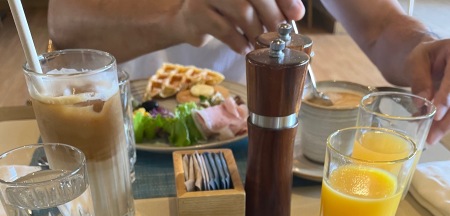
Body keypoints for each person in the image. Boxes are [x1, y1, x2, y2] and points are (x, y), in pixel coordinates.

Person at [48, 0, 450, 143]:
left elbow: (381, 25)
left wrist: (424, 47)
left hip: (258, 135)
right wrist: (179, 15)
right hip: (126, 135)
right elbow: (65, 22)